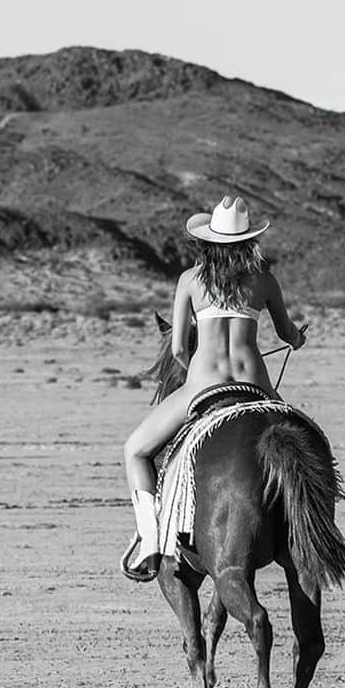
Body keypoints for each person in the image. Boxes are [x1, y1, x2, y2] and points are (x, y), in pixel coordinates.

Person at [121, 195, 307, 581]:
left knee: (135, 450)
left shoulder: (189, 280)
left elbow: (175, 347)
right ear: (249, 242)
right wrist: (297, 340)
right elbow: (288, 334)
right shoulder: (265, 281)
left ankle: (152, 544)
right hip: (256, 386)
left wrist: (196, 377)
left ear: (207, 242)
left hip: (203, 386)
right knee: (300, 450)